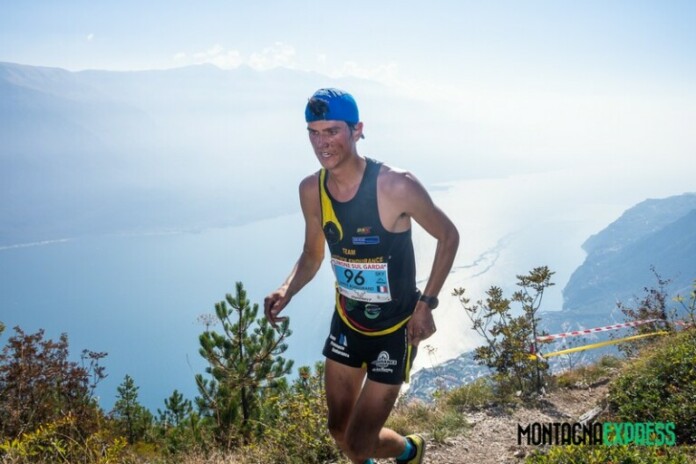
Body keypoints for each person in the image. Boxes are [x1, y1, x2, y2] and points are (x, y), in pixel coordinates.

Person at [264, 88, 459, 464]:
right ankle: (389, 455)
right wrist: (285, 290)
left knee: (358, 442)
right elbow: (312, 254)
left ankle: (408, 450)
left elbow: (448, 236)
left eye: (332, 131)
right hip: (348, 324)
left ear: (357, 130)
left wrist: (426, 305)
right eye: (313, 132)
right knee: (339, 430)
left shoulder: (395, 185)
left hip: (396, 330)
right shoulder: (312, 190)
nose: (322, 143)